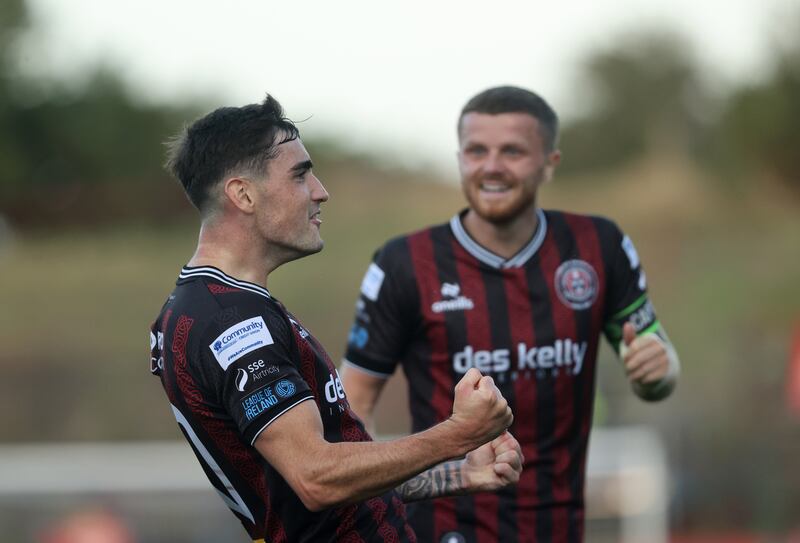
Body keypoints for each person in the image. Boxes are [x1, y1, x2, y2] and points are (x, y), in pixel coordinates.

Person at [148, 95, 524, 543]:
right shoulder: (230, 322)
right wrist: (458, 434)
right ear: (243, 194)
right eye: (301, 174)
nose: (320, 190)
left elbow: (323, 479)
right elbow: (316, 477)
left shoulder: (221, 305)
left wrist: (458, 472)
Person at [340, 86, 681, 543]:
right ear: (460, 157)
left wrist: (657, 371)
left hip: (559, 527)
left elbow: (659, 367)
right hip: (443, 529)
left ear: (549, 163)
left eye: (513, 151)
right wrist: (373, 512)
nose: (492, 166)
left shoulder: (598, 246)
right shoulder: (405, 262)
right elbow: (353, 406)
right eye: (476, 151)